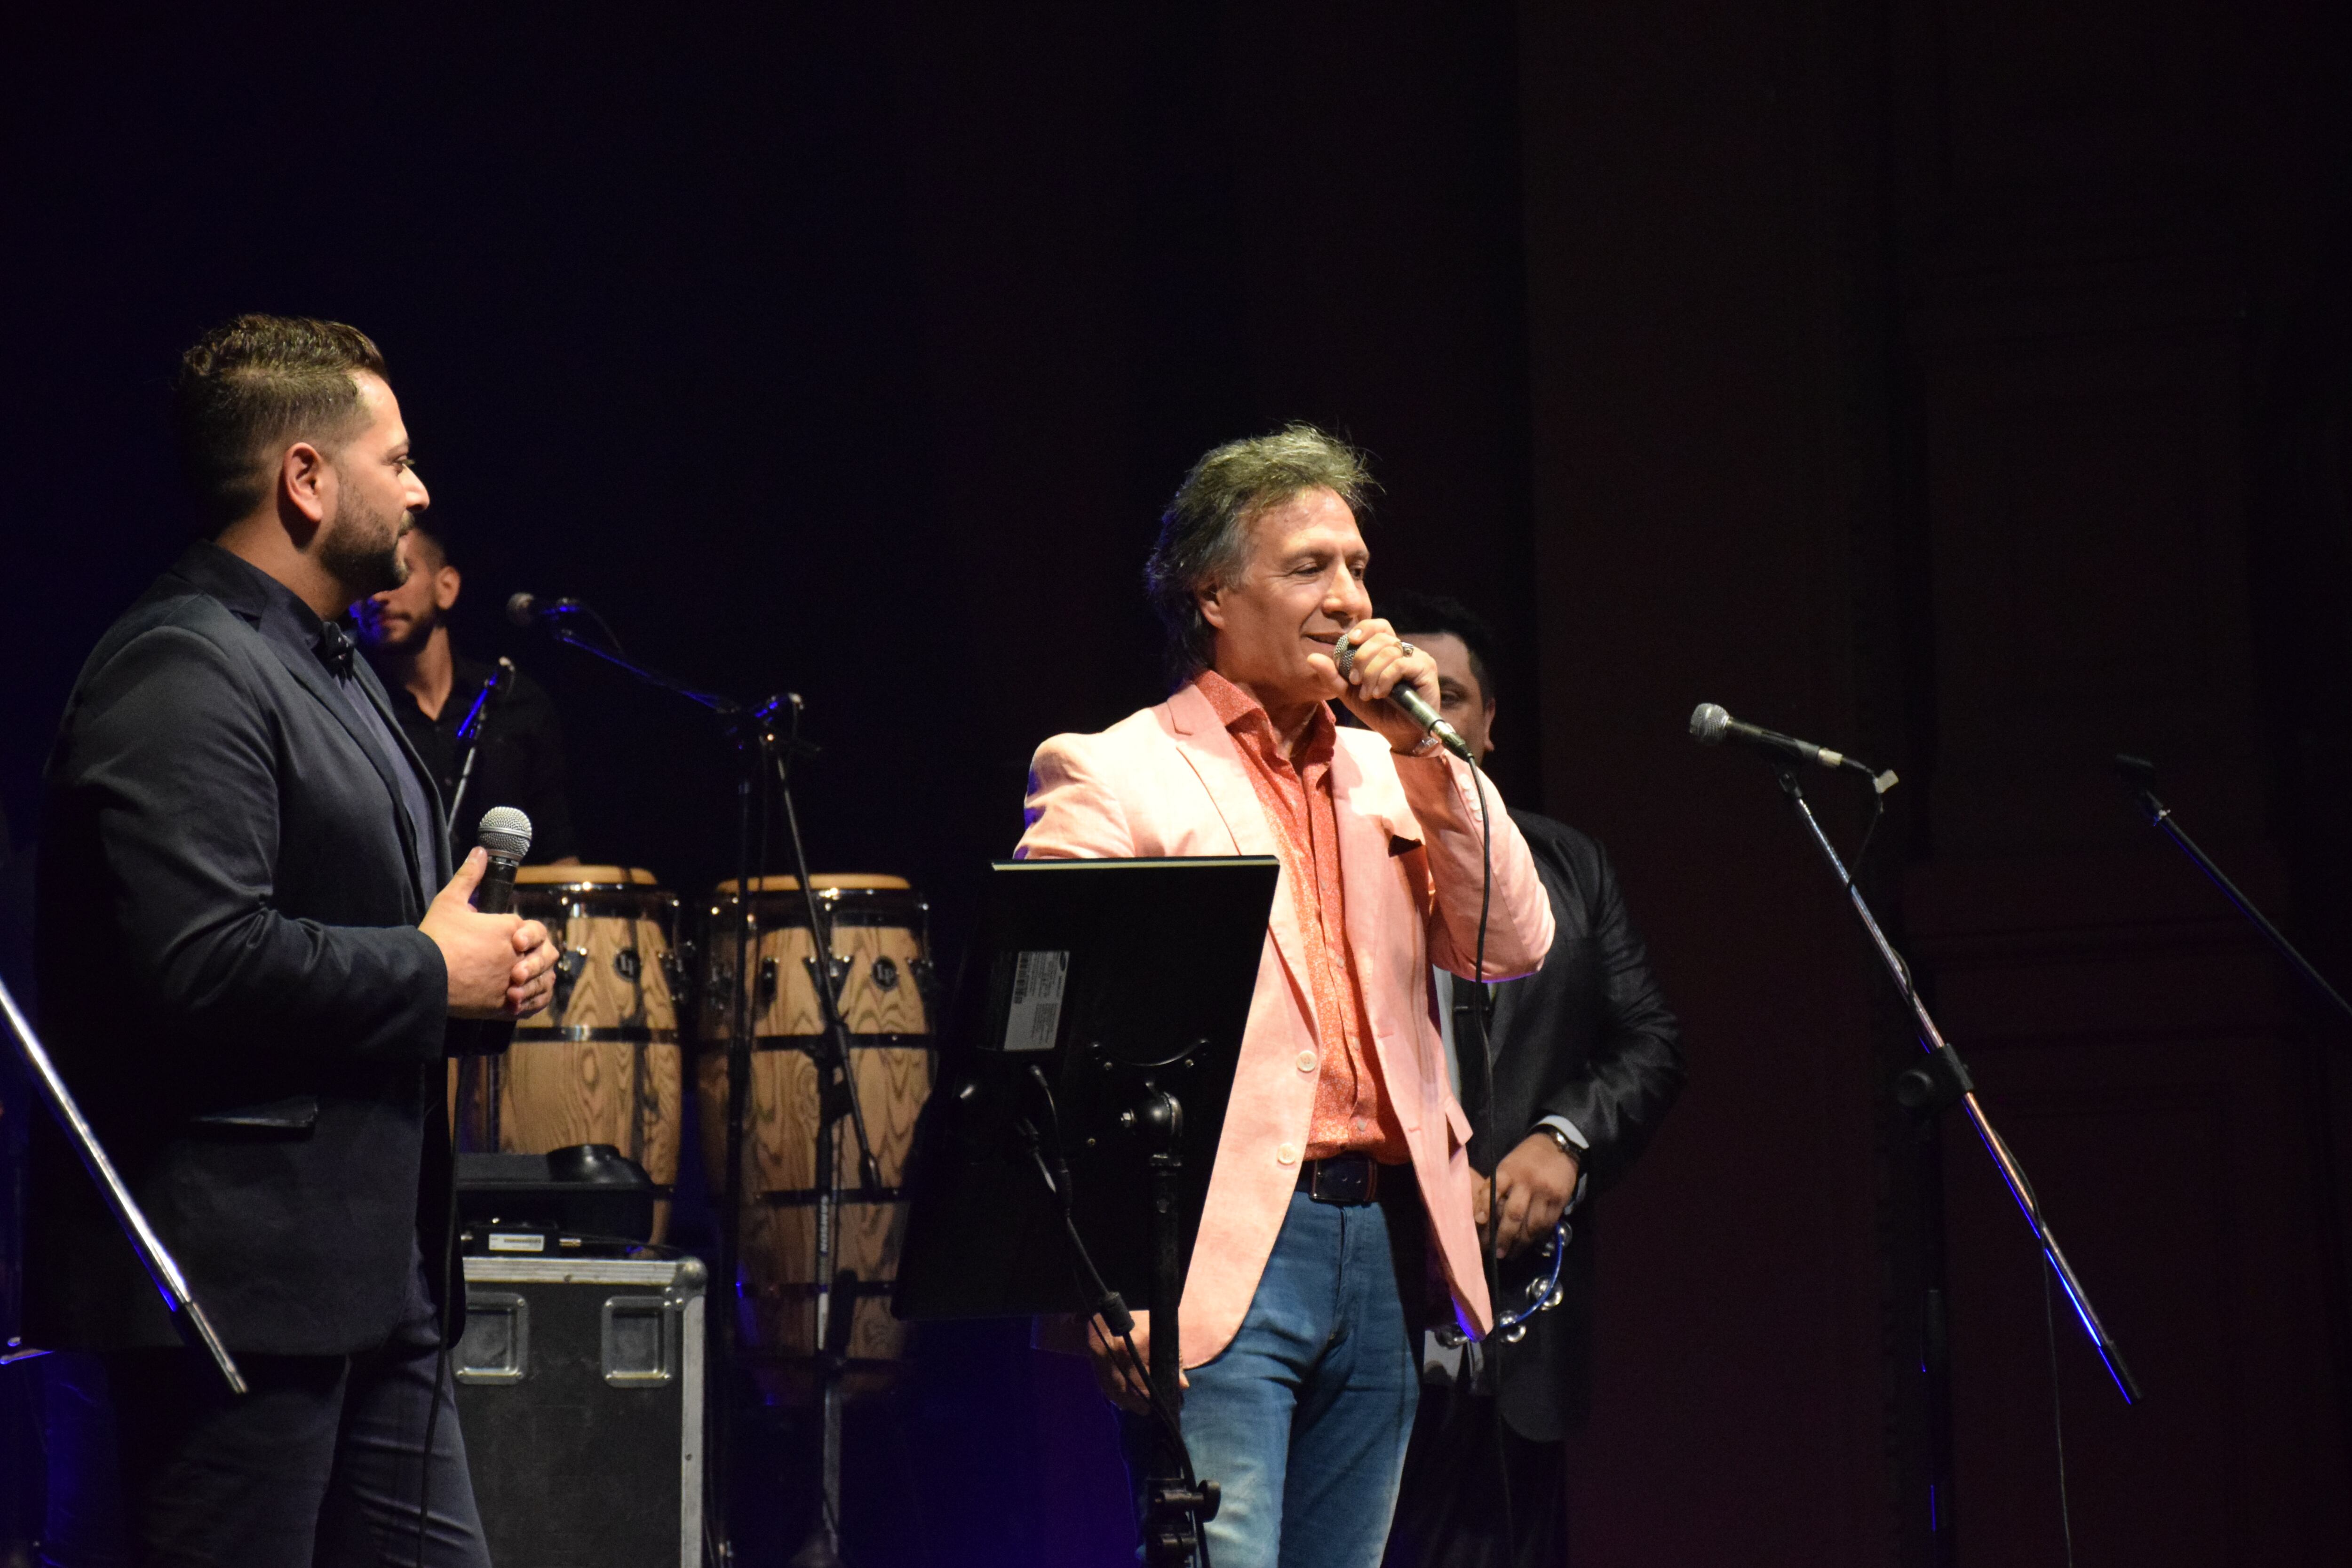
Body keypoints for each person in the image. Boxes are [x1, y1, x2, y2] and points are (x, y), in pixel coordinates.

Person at [25, 314, 558, 1567]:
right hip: (239, 1294)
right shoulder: (183, 666)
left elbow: (363, 923)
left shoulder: (324, 664)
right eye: (400, 460)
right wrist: (433, 969)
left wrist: (469, 968)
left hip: (373, 1284)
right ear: (306, 479)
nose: (422, 491)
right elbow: (198, 960)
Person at [1017, 425, 1557, 1568]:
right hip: (1209, 1250)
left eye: (1357, 568)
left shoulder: (1390, 765)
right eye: (1309, 568)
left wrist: (1429, 750)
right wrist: (1106, 1281)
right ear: (1212, 593)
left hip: (1378, 1243)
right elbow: (1049, 1045)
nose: (1351, 600)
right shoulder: (1114, 772)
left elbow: (1514, 939)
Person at [1375, 591, 1685, 1568]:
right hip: (1362, 1321)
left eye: (1450, 696)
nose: (1425, 717)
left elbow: (1649, 1038)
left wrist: (1566, 1138)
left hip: (1517, 1336)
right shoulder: (1324, 872)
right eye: (1399, 695)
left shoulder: (1564, 863)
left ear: (1487, 723)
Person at [355, 517, 581, 862]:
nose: (378, 595)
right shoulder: (350, 706)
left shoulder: (516, 701)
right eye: (365, 578)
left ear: (446, 587)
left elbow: (557, 854)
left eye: (397, 573)